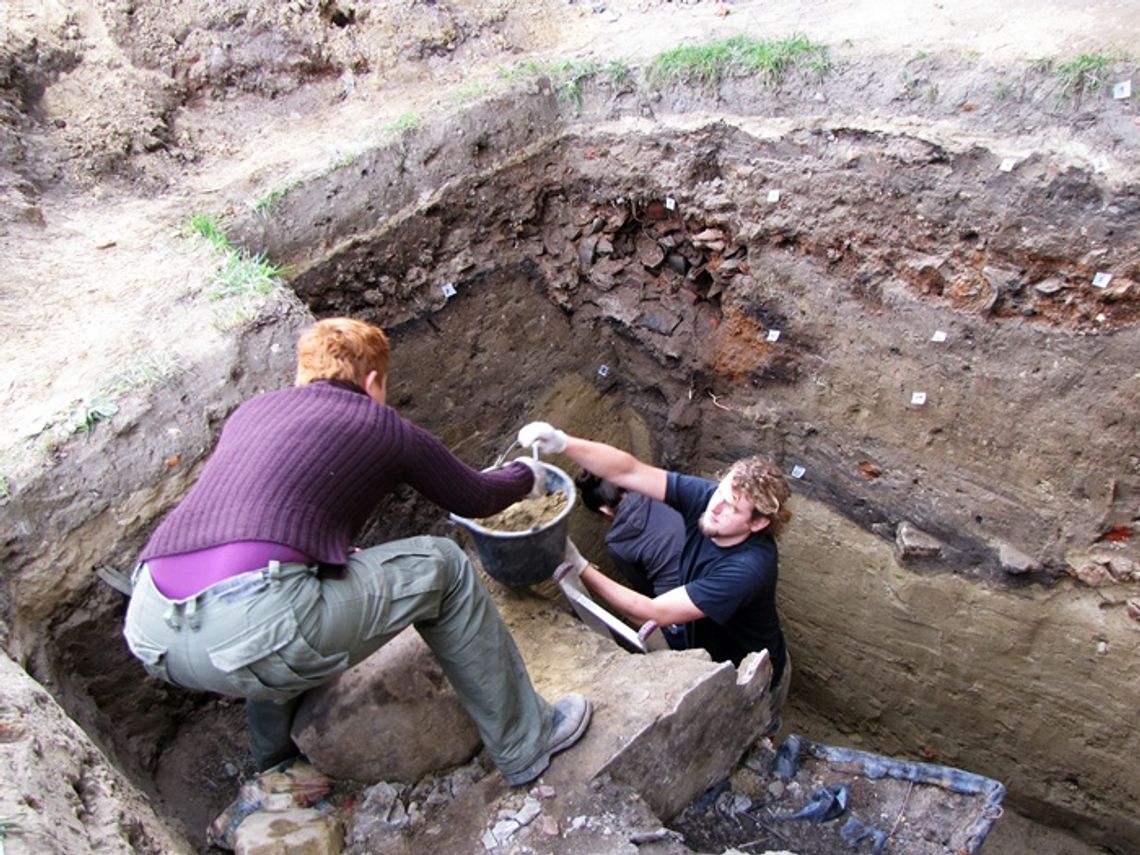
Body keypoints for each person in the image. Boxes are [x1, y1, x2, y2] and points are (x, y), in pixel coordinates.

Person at [123, 317, 590, 790]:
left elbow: (260, 512)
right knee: (446, 567)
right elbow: (475, 498)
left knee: (278, 608)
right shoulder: (378, 422)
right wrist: (525, 475)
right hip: (255, 625)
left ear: (302, 374)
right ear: (373, 382)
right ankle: (528, 742)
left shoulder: (251, 412)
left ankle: (276, 765)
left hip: (151, 627)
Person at [522, 421, 792, 725]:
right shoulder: (710, 500)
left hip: (754, 679)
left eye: (732, 507)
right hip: (709, 648)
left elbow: (654, 612)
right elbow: (630, 471)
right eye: (722, 492)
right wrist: (563, 442)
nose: (716, 506)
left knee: (755, 728)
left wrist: (579, 565)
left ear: (757, 524)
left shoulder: (748, 569)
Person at [574, 471, 684, 598]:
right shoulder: (657, 490)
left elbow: (644, 589)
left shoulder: (618, 545)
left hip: (684, 600)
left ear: (605, 511)